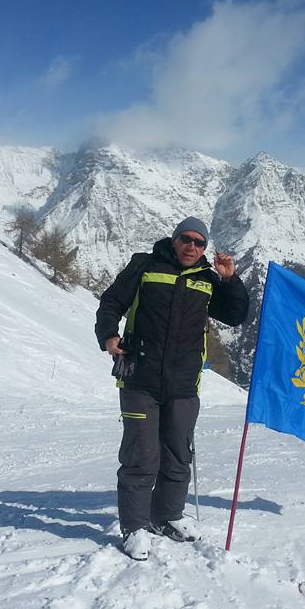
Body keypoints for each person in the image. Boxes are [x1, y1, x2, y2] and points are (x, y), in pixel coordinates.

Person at [95, 217, 249, 560]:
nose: (192, 246)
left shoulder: (209, 278)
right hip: (139, 379)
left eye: (199, 242)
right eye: (186, 239)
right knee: (141, 456)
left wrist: (230, 279)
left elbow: (238, 315)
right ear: (175, 239)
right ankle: (135, 527)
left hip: (183, 384)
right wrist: (108, 335)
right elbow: (111, 303)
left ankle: (167, 515)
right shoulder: (145, 265)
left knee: (179, 455)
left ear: (204, 248)